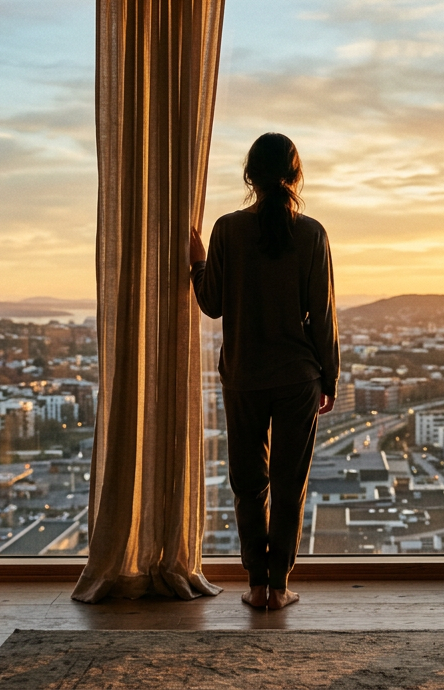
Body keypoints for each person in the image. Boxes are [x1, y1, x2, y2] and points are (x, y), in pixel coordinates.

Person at [190, 132, 338, 611]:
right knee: (290, 485)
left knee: (248, 484)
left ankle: (255, 585)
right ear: (295, 176)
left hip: (244, 376)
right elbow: (322, 314)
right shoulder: (311, 233)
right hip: (298, 377)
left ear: (249, 176)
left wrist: (197, 263)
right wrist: (330, 378)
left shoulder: (227, 230)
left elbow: (212, 304)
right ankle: (279, 586)